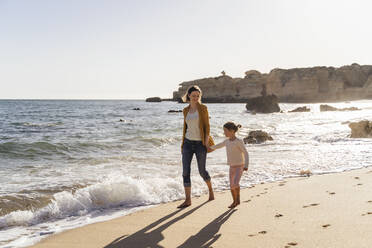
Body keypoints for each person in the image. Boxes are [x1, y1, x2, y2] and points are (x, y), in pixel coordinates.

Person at [178, 85, 215, 208]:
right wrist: (183, 144)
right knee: (185, 172)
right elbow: (186, 128)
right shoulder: (185, 110)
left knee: (202, 171)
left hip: (200, 144)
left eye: (197, 96)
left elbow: (207, 127)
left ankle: (211, 191)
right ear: (189, 95)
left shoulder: (203, 108)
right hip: (187, 144)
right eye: (193, 96)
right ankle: (188, 200)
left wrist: (205, 143)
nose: (195, 98)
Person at [210, 122, 249, 208]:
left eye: (225, 131)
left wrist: (246, 165)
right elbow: (218, 146)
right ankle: (234, 201)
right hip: (232, 166)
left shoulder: (238, 141)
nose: (224, 133)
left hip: (240, 166)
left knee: (235, 183)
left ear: (231, 131)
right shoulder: (227, 141)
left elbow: (245, 153)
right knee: (231, 185)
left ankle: (237, 198)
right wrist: (209, 148)